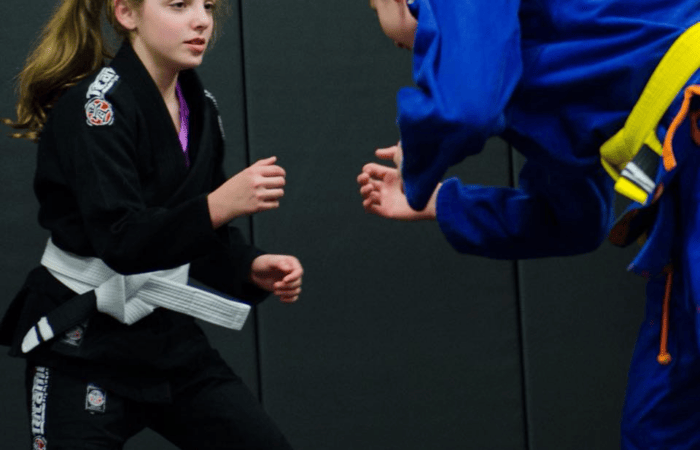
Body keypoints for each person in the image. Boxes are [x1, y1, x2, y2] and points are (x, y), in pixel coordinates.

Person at [357, 0, 700, 448]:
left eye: (402, 43)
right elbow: (574, 220)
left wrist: (419, 165)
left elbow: (464, 108)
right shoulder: (535, 77)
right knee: (658, 428)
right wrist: (442, 203)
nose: (410, 50)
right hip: (681, 188)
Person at [0, 0, 302, 448]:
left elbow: (193, 237)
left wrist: (248, 266)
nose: (201, 19)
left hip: (163, 338)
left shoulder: (201, 107)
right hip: (82, 345)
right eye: (179, 5)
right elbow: (121, 239)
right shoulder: (95, 109)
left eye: (207, 6)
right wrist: (219, 204)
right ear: (126, 13)